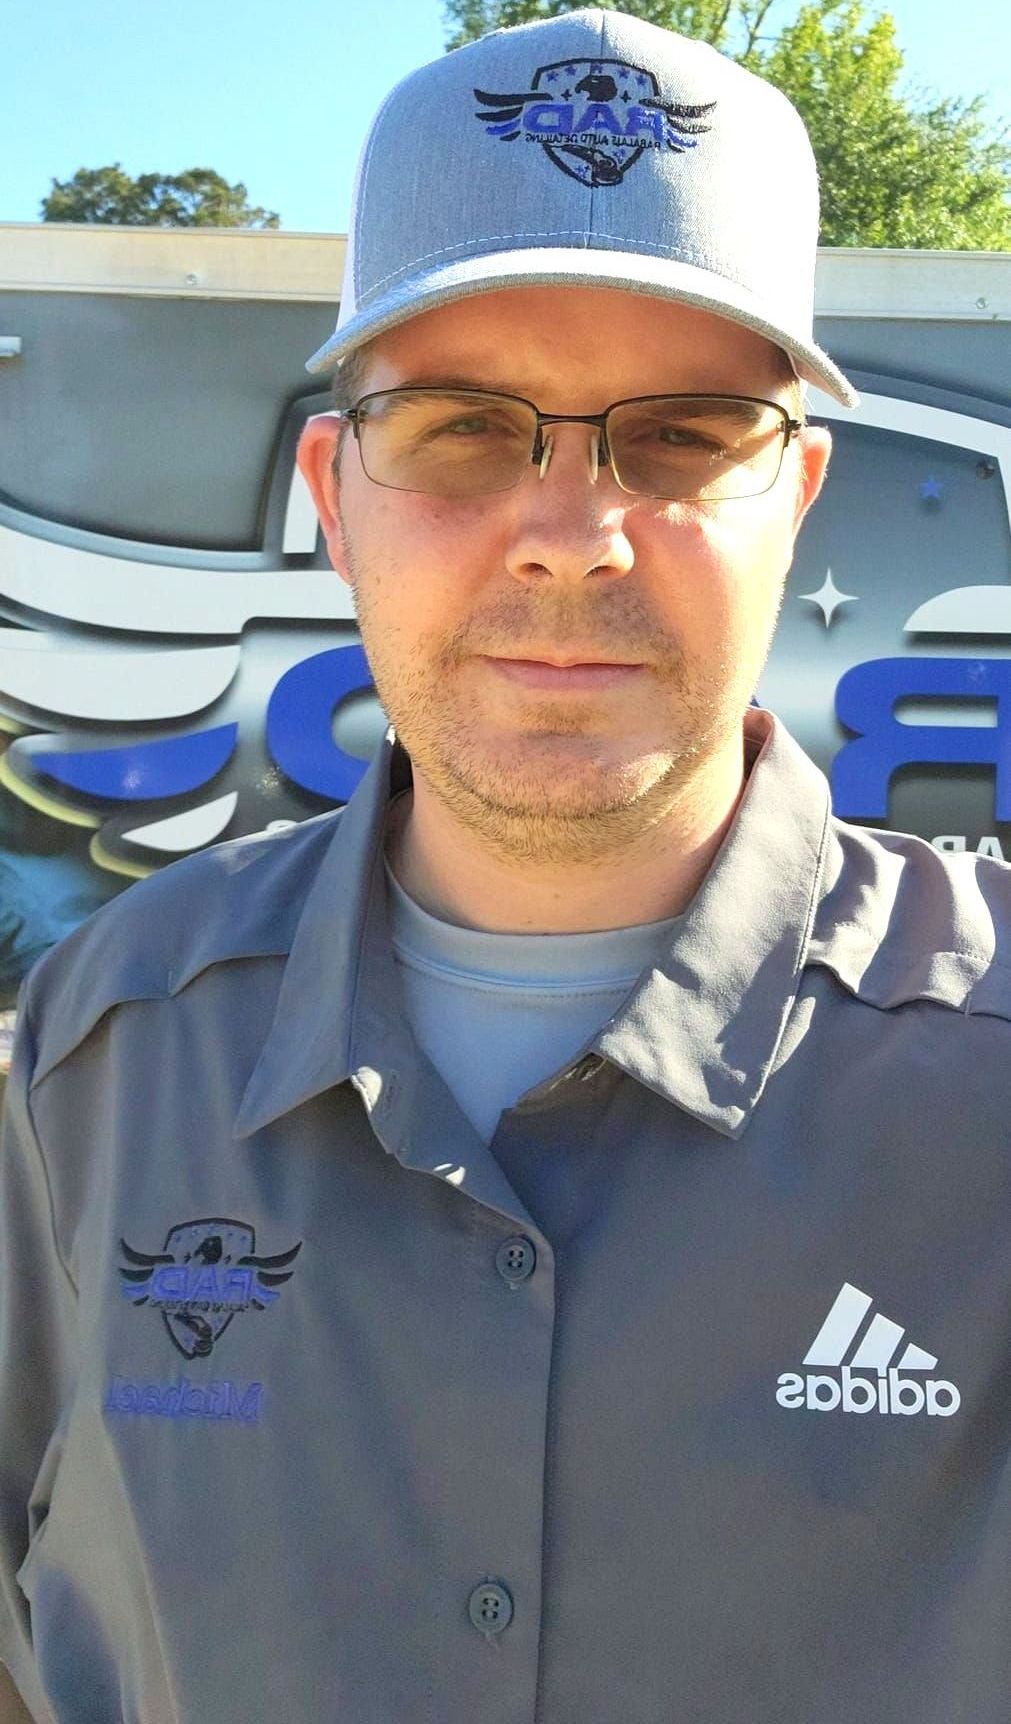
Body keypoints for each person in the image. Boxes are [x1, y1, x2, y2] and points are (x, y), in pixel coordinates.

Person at [1, 9, 1008, 1722]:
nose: (574, 529)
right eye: (466, 426)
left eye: (686, 434)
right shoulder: (94, 1054)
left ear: (803, 497)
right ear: (334, 490)